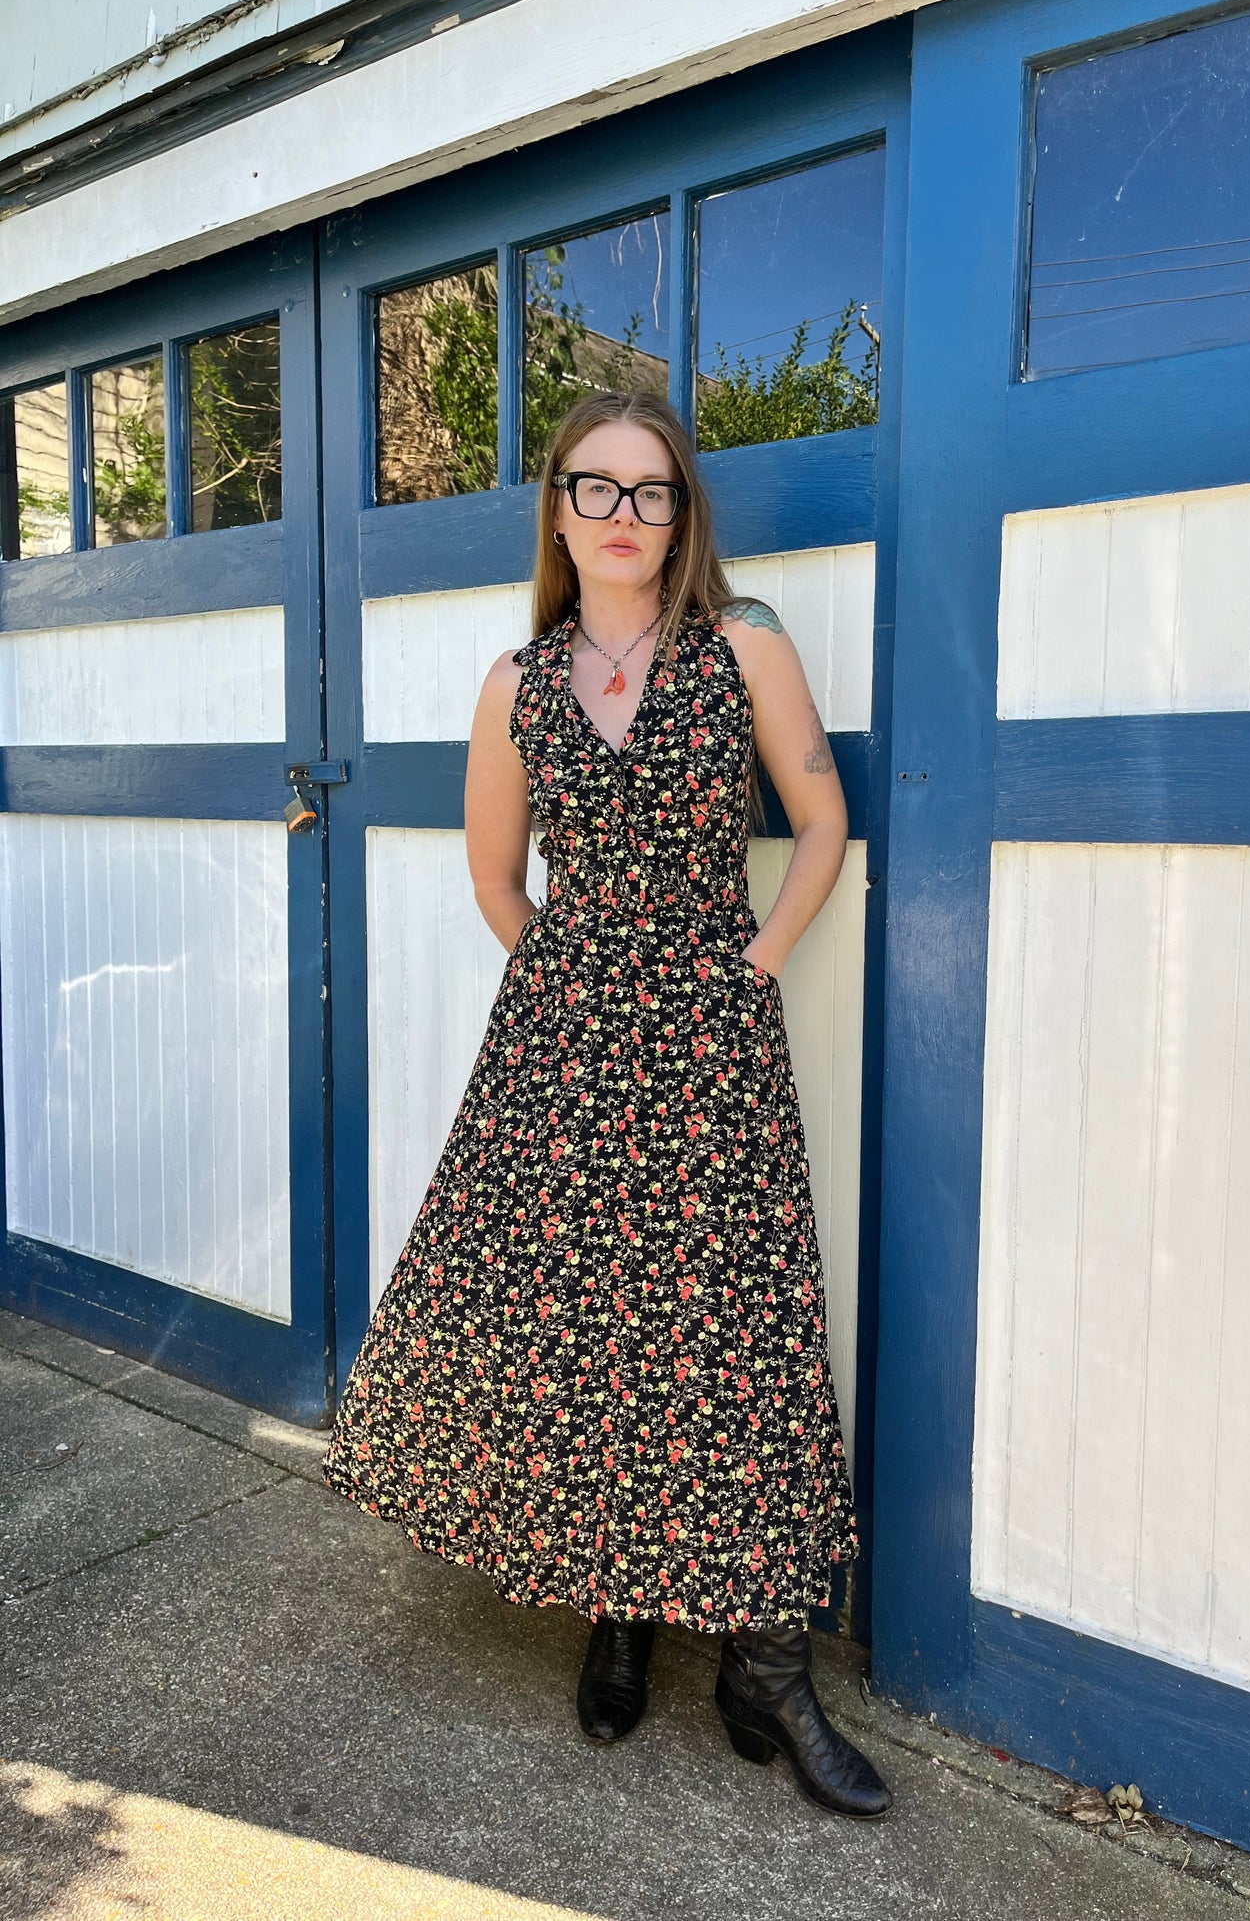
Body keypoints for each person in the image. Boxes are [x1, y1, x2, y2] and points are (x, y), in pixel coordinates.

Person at [320, 388, 891, 1821]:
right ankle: (614, 1608)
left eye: (651, 492)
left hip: (710, 1048)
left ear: (680, 516)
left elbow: (820, 824)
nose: (622, 515)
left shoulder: (742, 646)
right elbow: (496, 876)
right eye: (596, 486)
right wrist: (579, 981)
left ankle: (767, 1664)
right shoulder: (515, 681)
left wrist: (741, 966)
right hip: (562, 1049)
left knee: (736, 1331)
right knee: (580, 1326)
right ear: (557, 504)